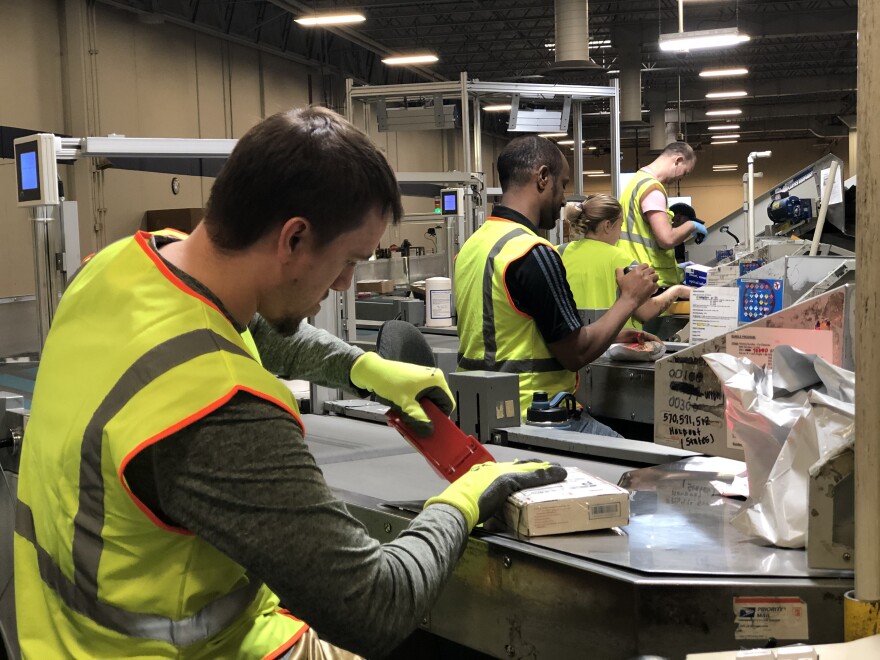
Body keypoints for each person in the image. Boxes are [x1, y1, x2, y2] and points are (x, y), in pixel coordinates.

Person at [14, 107, 566, 659]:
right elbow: (375, 604)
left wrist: (363, 369)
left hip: (58, 634)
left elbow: (250, 323)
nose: (347, 281)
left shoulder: (115, 267)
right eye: (349, 260)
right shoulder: (217, 407)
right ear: (294, 239)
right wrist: (461, 502)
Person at [455, 135, 659, 437]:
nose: (564, 199)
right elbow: (575, 353)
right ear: (542, 177)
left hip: (479, 414)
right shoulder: (532, 253)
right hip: (538, 417)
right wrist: (629, 299)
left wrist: (612, 331)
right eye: (562, 184)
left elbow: (511, 335)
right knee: (643, 467)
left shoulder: (473, 246)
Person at [559, 194, 691, 327]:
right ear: (607, 225)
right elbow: (646, 311)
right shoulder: (623, 261)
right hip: (616, 344)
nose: (620, 233)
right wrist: (677, 290)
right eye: (620, 225)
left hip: (571, 343)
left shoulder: (557, 253)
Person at [616, 142, 707, 289]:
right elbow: (667, 239)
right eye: (684, 173)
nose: (681, 179)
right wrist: (692, 225)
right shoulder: (653, 189)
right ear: (678, 160)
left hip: (634, 272)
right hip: (650, 279)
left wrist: (677, 268)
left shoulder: (636, 182)